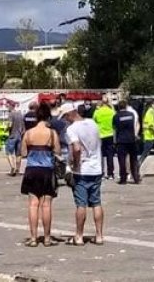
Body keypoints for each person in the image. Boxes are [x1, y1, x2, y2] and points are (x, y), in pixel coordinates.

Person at [20, 103, 60, 247]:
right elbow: (58, 151)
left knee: (32, 204)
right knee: (46, 205)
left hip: (32, 169)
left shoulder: (29, 133)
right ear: (48, 116)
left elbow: (23, 153)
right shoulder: (52, 133)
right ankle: (47, 238)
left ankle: (33, 238)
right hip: (47, 170)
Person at [65, 104, 104, 246]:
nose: (65, 120)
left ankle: (79, 236)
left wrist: (75, 164)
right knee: (96, 202)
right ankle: (99, 235)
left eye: (65, 117)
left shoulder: (72, 129)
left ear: (70, 114)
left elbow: (76, 148)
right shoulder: (93, 123)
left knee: (81, 203)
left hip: (82, 170)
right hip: (96, 167)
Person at [113, 100, 140, 185]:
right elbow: (134, 125)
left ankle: (123, 179)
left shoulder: (116, 116)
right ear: (125, 106)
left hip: (121, 140)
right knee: (133, 160)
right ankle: (135, 177)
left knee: (122, 160)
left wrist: (114, 141)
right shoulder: (131, 115)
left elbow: (114, 129)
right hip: (131, 139)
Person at [92, 98, 116, 181]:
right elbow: (115, 121)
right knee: (110, 155)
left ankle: (101, 173)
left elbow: (93, 122)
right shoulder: (111, 111)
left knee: (100, 155)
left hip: (100, 135)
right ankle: (110, 174)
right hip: (110, 135)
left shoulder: (97, 112)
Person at [6, 101, 25, 177]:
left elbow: (10, 125)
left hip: (12, 136)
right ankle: (18, 169)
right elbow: (23, 127)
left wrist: (6, 129)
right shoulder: (20, 114)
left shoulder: (11, 114)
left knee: (9, 152)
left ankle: (12, 167)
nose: (7, 108)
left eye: (8, 106)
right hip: (19, 136)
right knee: (18, 154)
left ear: (11, 106)